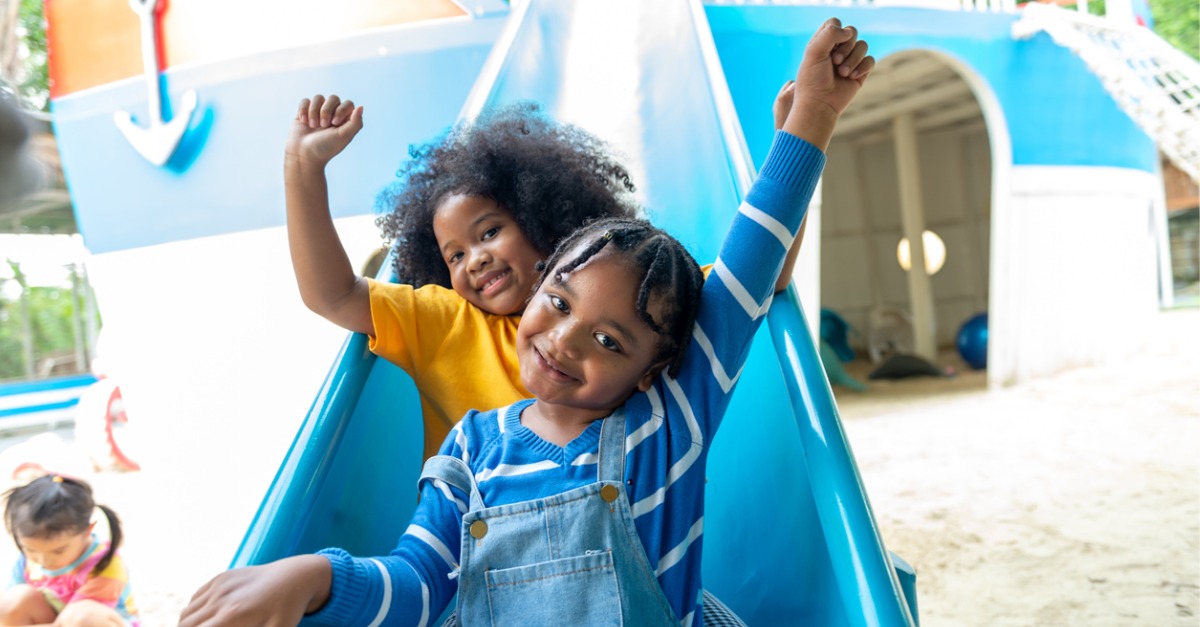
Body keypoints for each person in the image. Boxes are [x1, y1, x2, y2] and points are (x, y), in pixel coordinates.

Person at [180, 17, 872, 626]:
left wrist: (811, 116)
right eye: (560, 302)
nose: (564, 338)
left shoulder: (672, 419)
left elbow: (751, 267)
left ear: (655, 365)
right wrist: (319, 575)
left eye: (609, 340)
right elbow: (420, 584)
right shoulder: (471, 447)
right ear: (543, 281)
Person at [286, 98, 641, 459]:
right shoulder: (448, 325)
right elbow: (335, 296)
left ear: (543, 221)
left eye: (489, 232)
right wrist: (302, 168)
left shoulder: (602, 306)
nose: (475, 260)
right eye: (455, 255)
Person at [0, 475, 139, 627]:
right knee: (13, 601)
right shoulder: (29, 560)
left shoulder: (105, 564)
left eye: (58, 551)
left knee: (83, 616)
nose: (44, 560)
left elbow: (79, 621)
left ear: (87, 531)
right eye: (30, 549)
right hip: (57, 618)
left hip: (91, 622)